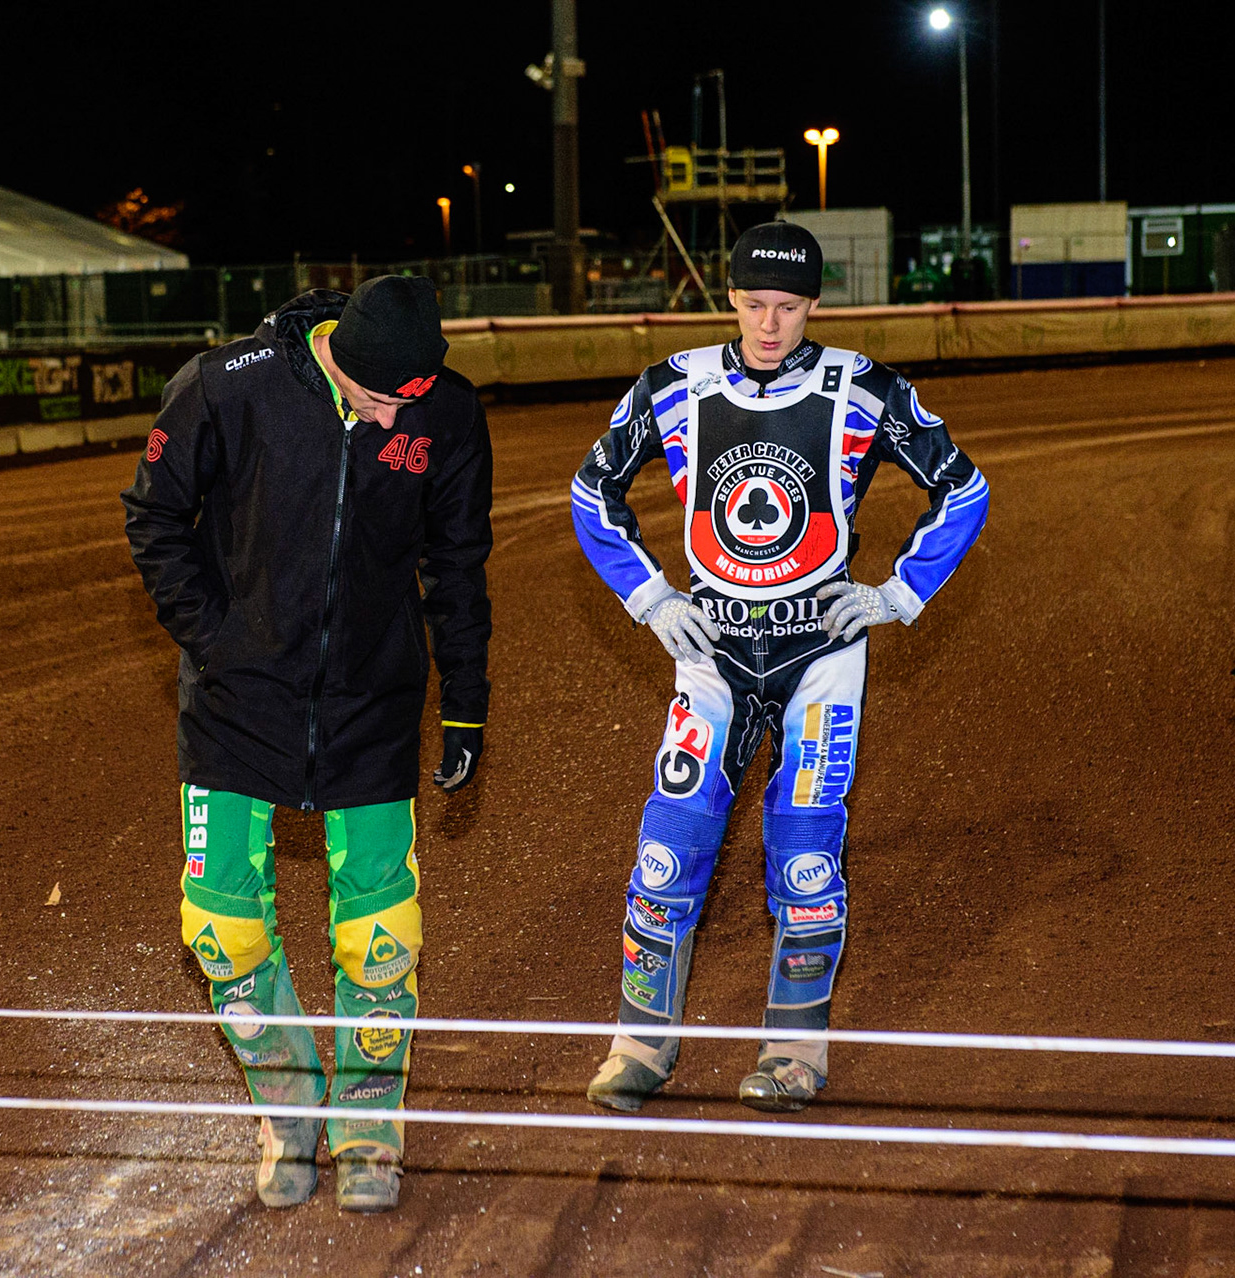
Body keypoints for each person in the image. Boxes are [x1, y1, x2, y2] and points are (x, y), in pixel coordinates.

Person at [573, 222, 990, 1114]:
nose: (770, 324)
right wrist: (650, 598)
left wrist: (896, 594)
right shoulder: (673, 385)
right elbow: (590, 488)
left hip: (822, 657)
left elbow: (964, 486)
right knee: (668, 845)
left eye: (790, 306)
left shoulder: (864, 388)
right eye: (755, 303)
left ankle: (795, 1052)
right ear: (729, 296)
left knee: (806, 850)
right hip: (711, 653)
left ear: (813, 305)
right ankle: (639, 1046)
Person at [122, 276, 492, 1213]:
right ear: (337, 358)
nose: (389, 419)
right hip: (237, 708)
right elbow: (154, 516)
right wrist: (217, 637)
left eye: (404, 402)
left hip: (372, 705)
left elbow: (456, 562)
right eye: (373, 402)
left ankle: (368, 1133)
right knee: (222, 928)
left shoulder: (445, 412)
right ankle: (287, 1113)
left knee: (380, 942)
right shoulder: (226, 386)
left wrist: (466, 700)